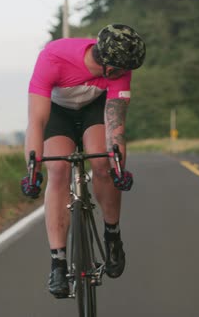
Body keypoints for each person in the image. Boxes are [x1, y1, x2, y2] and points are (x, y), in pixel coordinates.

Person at [20, 24, 146, 298]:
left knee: (103, 164)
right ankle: (58, 262)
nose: (128, 73)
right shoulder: (53, 58)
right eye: (124, 70)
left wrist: (118, 168)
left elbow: (115, 127)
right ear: (110, 67)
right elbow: (37, 121)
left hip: (93, 110)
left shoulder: (119, 68)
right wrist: (32, 170)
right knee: (58, 168)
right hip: (57, 113)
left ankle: (112, 236)